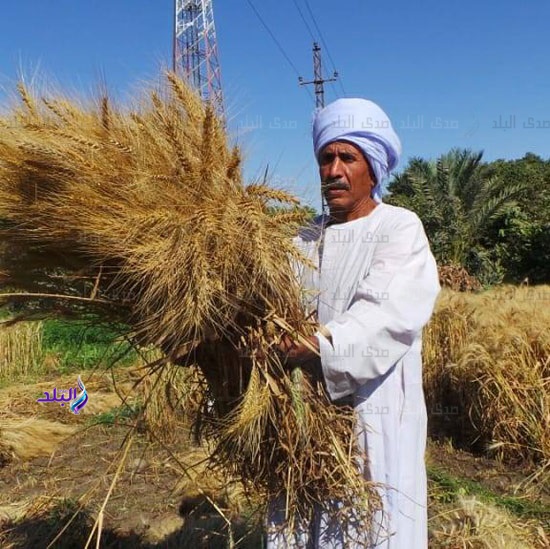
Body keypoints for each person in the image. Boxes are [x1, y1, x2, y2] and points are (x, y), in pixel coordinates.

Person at [266, 98, 440, 548]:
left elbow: (389, 311)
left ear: (373, 168)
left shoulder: (400, 227)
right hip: (304, 416)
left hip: (373, 407)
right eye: (326, 158)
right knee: (302, 517)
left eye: (348, 157)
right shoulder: (302, 237)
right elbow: (272, 303)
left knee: (370, 513)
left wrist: (321, 345)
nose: (334, 170)